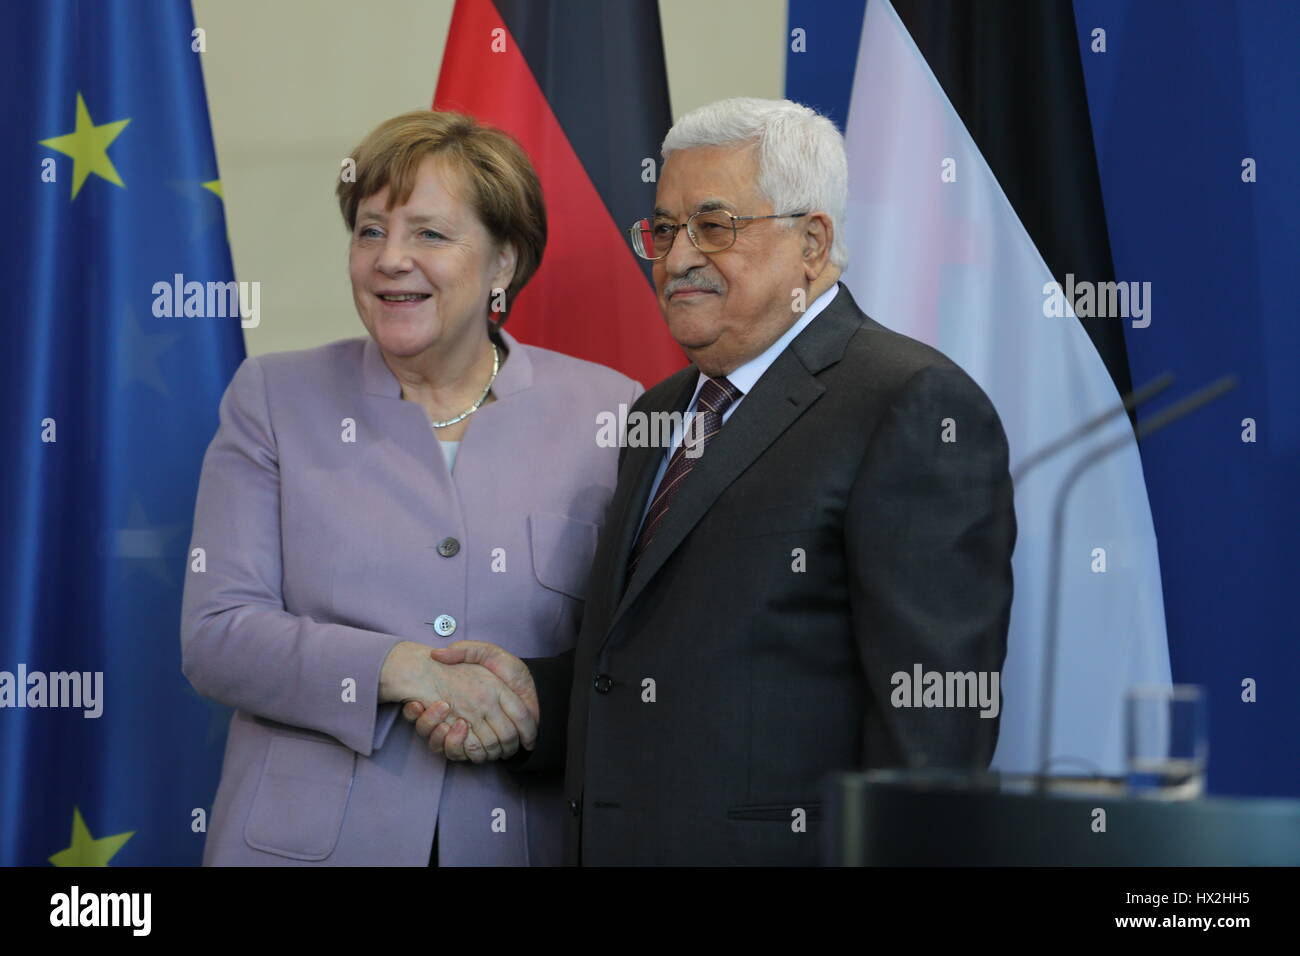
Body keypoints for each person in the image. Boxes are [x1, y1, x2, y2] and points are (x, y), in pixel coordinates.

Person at [403, 97, 1017, 866]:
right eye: (662, 230)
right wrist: (533, 698)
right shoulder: (658, 411)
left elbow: (933, 733)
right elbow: (668, 668)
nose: (678, 256)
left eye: (715, 226)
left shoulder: (908, 402)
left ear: (812, 241)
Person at [180, 109, 642, 866]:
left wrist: (525, 706)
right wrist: (404, 670)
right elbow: (217, 635)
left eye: (429, 233)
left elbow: (636, 653)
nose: (390, 259)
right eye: (369, 231)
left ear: (503, 264)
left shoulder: (612, 411)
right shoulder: (272, 397)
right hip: (302, 846)